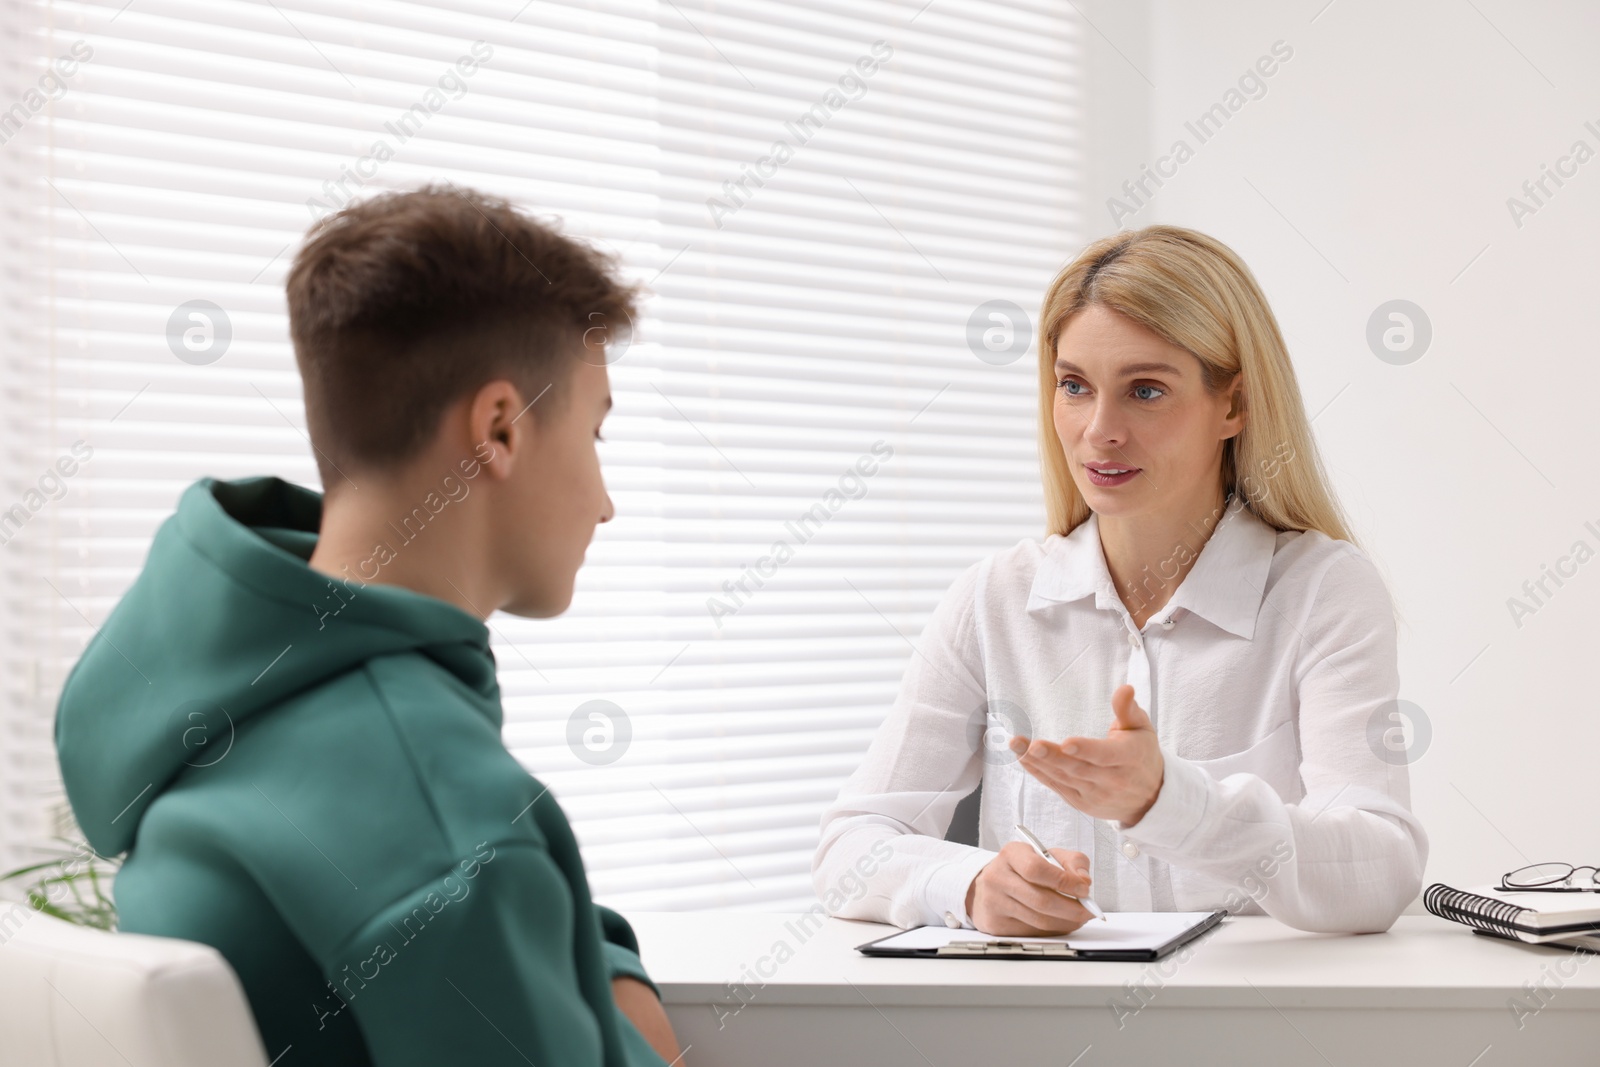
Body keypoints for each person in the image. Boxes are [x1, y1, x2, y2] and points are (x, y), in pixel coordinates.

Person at [54, 186, 685, 1066]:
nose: (605, 503)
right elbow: (452, 872)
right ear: (499, 428)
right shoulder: (448, 821)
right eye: (594, 434)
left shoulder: (247, 706)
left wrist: (595, 958)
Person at [812, 225, 1427, 937]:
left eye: (1145, 390)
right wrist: (972, 885)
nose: (1099, 429)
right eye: (1074, 385)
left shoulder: (1323, 592)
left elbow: (1379, 870)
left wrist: (1172, 801)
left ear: (1232, 405)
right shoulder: (995, 598)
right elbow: (849, 844)